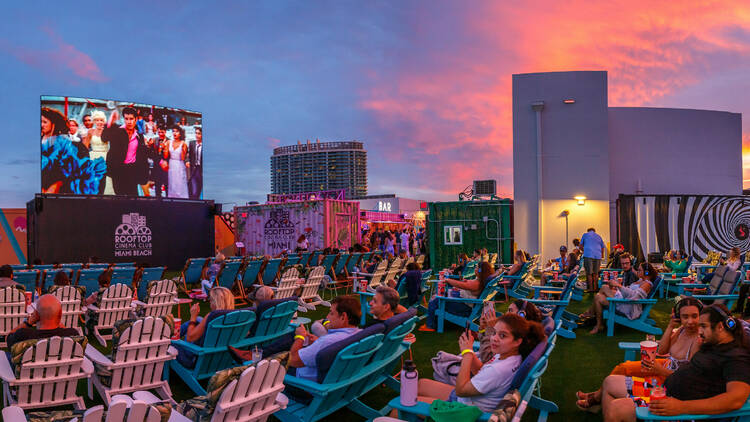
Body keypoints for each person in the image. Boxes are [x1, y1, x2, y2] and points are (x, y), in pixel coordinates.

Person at [600, 304, 750, 421]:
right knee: (610, 382)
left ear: (720, 327)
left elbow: (735, 400)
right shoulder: (713, 344)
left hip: (680, 412)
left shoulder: (736, 358)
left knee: (617, 408)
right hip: (664, 392)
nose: (699, 331)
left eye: (703, 326)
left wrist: (681, 407)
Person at [575, 297, 703, 412]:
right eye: (685, 317)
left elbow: (686, 378)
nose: (690, 321)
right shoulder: (681, 330)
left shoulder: (698, 341)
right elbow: (662, 351)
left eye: (694, 316)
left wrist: (661, 370)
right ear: (678, 317)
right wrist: (670, 326)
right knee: (624, 368)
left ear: (700, 316)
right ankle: (597, 396)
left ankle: (595, 399)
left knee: (623, 376)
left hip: (669, 379)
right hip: (665, 365)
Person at [415, 313, 546, 412]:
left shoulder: (499, 370)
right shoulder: (512, 355)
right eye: (494, 332)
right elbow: (480, 370)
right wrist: (470, 351)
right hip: (468, 400)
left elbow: (461, 390)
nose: (494, 338)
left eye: (502, 336)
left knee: (402, 406)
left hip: (464, 410)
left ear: (518, 341)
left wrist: (466, 353)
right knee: (420, 384)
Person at [288, 295, 362, 381]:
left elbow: (293, 360)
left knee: (288, 340)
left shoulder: (328, 341)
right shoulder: (360, 334)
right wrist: (317, 341)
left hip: (305, 383)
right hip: (338, 380)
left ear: (343, 317)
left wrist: (299, 337)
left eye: (331, 313)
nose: (327, 317)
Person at [41, 107, 105, 194]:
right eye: (41, 122)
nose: (42, 125)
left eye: (45, 122)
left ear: (53, 124)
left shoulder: (63, 142)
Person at [420, 261, 495, 332]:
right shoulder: (480, 280)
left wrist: (447, 280)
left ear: (480, 270)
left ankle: (430, 326)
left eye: (476, 267)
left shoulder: (477, 284)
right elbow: (468, 284)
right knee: (442, 294)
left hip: (465, 309)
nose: (475, 269)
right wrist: (466, 281)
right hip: (467, 305)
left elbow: (461, 285)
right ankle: (434, 319)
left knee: (436, 300)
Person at [583, 262, 655, 335]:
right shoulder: (641, 280)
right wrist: (618, 288)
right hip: (624, 301)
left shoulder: (647, 284)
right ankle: (597, 321)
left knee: (599, 296)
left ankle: (594, 319)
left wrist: (619, 286)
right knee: (603, 289)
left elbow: (634, 296)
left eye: (639, 270)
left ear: (646, 272)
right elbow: (630, 290)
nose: (637, 272)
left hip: (629, 307)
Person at [177, 287, 236, 367]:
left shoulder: (212, 317)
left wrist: (193, 317)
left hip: (196, 358)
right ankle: (176, 333)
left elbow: (190, 338)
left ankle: (173, 336)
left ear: (216, 302)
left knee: (169, 344)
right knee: (199, 319)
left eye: (211, 300)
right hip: (222, 356)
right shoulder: (236, 317)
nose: (210, 303)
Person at [6, 295, 79, 350]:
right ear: (60, 314)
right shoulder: (73, 334)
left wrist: (28, 323)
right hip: (64, 370)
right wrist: (57, 318)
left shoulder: (23, 335)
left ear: (36, 315)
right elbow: (65, 331)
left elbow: (7, 338)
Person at [103, 107, 149, 195]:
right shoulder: (117, 131)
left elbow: (142, 155)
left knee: (133, 196)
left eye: (131, 119)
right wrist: (110, 121)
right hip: (118, 170)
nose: (129, 121)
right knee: (119, 196)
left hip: (132, 170)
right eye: (126, 119)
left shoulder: (139, 136)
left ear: (136, 119)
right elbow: (104, 137)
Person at [86, 111, 114, 195]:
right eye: (97, 120)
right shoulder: (90, 131)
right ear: (94, 121)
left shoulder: (107, 132)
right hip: (93, 157)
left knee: (106, 180)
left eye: (101, 120)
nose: (99, 122)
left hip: (105, 157)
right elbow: (86, 146)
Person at [164, 125, 189, 198]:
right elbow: (165, 156)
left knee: (180, 184)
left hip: (179, 165)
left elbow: (182, 158)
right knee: (172, 184)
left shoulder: (183, 143)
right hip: (171, 164)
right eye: (173, 131)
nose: (174, 133)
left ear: (180, 133)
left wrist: (183, 150)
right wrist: (164, 148)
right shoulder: (169, 142)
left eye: (176, 131)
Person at [581, 227, 606, 292]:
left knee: (589, 273)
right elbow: (603, 247)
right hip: (598, 256)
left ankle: (591, 288)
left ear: (588, 231)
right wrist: (601, 256)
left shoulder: (585, 235)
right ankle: (596, 288)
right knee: (596, 273)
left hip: (588, 255)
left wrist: (584, 251)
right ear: (594, 231)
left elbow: (581, 245)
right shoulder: (599, 236)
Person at [188, 126, 203, 199]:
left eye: (199, 133)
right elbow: (189, 155)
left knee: (198, 190)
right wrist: (187, 161)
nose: (197, 135)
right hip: (194, 169)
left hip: (201, 170)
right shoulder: (192, 143)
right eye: (196, 133)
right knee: (194, 191)